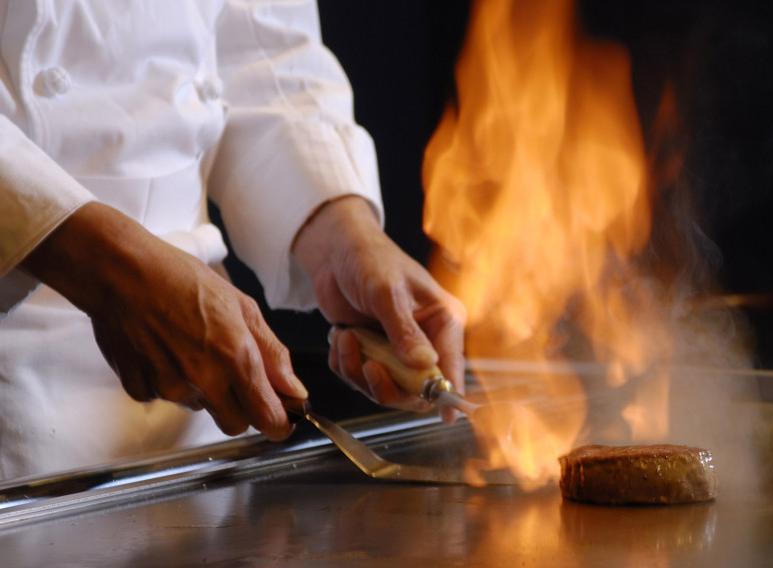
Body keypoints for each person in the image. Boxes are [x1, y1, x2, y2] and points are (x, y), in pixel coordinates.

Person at [0, 0, 464, 481]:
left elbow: (260, 52)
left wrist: (345, 237)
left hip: (207, 418)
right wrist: (105, 266)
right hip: (16, 413)